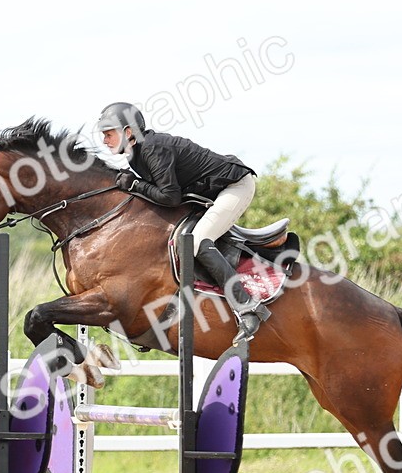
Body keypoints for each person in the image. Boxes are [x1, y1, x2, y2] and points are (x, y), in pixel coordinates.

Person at [95, 101, 271, 343]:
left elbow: (169, 196)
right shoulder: (135, 156)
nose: (105, 140)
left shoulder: (152, 148)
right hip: (207, 193)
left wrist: (135, 185)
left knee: (196, 242)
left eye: (109, 134)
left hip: (235, 186)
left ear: (128, 132)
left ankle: (248, 307)